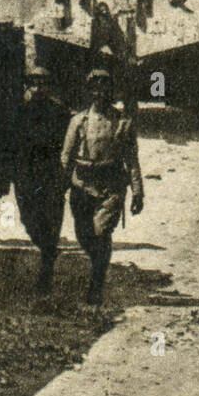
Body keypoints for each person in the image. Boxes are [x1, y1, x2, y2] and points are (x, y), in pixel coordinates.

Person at [60, 70, 143, 305]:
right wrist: (59, 187)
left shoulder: (123, 123)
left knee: (101, 233)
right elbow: (66, 158)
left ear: (111, 93)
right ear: (89, 93)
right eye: (95, 89)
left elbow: (132, 161)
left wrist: (137, 192)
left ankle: (95, 287)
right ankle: (98, 266)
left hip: (111, 187)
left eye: (105, 89)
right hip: (82, 185)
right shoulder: (78, 121)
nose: (100, 94)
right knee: (84, 235)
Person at [13, 66, 73, 294]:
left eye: (42, 84)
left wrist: (66, 175)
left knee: (52, 221)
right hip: (26, 176)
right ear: (28, 86)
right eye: (33, 84)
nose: (37, 88)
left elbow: (70, 144)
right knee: (29, 220)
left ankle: (46, 268)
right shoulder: (20, 111)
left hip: (51, 174)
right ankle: (47, 247)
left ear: (49, 87)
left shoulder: (60, 113)